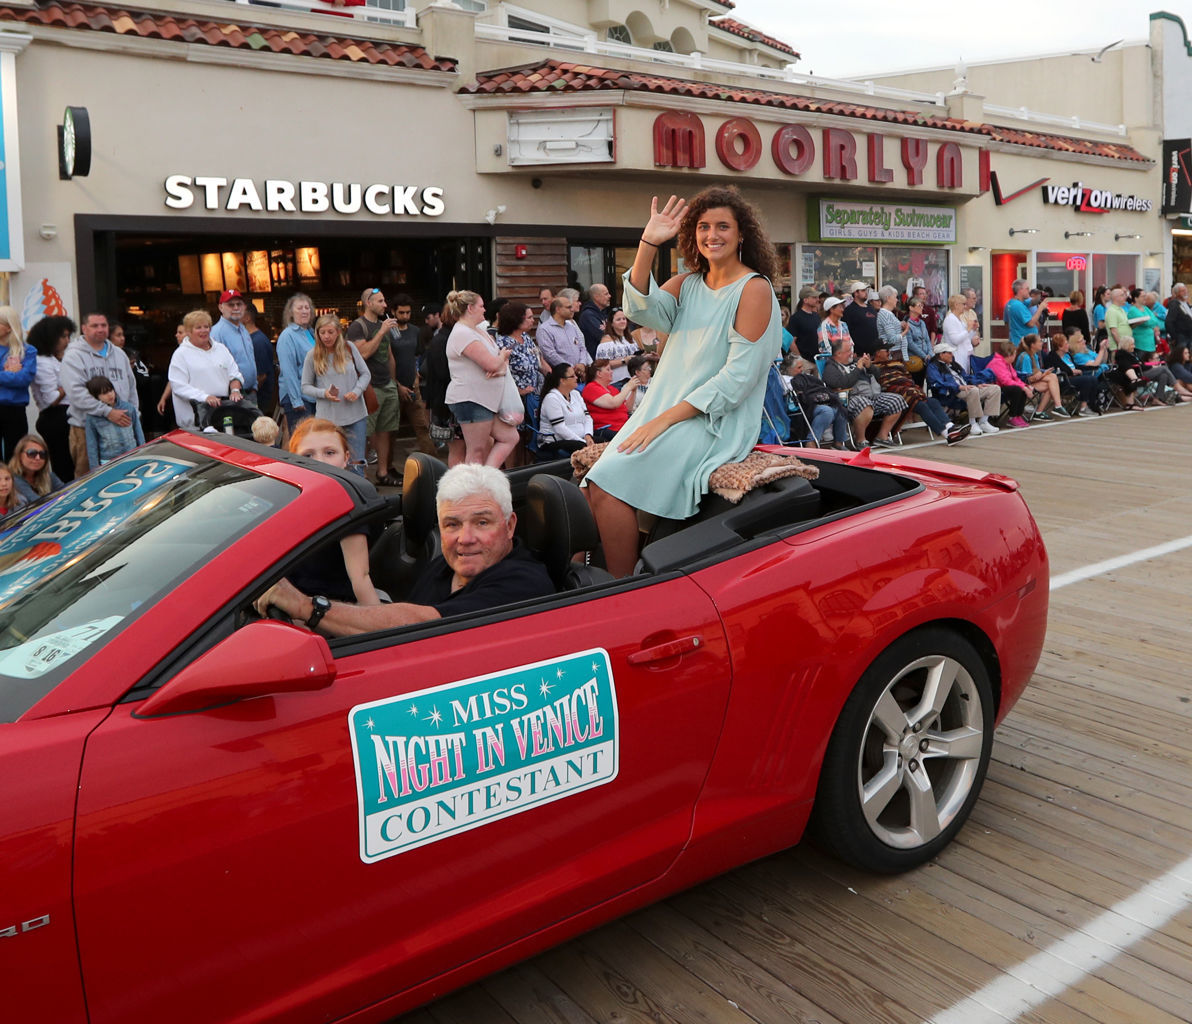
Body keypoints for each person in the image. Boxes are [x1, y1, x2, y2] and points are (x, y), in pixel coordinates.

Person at [584, 188, 782, 578]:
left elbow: (737, 379)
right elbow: (640, 309)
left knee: (606, 488)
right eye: (704, 227)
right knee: (590, 491)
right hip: (664, 413)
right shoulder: (688, 283)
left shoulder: (754, 289)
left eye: (723, 226)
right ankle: (597, 582)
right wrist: (647, 244)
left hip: (711, 423)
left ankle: (623, 593)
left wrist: (665, 420)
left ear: (742, 234)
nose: (713, 234)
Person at [255, 463, 552, 633]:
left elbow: (419, 624)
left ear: (510, 526)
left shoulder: (523, 583)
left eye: (482, 523)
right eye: (452, 525)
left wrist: (308, 607)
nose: (465, 538)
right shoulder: (446, 566)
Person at [285, 417, 380, 606]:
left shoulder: (347, 504)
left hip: (327, 610)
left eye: (330, 453)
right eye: (308, 455)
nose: (320, 461)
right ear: (293, 459)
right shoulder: (288, 499)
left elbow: (360, 579)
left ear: (346, 459)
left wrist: (384, 633)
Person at [445, 290, 519, 468]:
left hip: (485, 400)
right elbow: (492, 364)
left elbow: (497, 365)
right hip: (472, 399)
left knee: (510, 437)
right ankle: (476, 487)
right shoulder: (462, 332)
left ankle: (488, 476)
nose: (485, 310)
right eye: (481, 306)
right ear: (470, 308)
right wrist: (502, 356)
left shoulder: (478, 330)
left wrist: (500, 361)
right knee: (476, 451)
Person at [61, 312, 139, 478]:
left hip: (123, 424)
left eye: (103, 325)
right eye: (94, 326)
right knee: (88, 478)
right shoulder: (74, 356)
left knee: (128, 474)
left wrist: (134, 414)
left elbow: (131, 387)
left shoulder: (119, 354)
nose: (100, 329)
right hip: (86, 428)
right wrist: (108, 412)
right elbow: (76, 393)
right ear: (84, 328)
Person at [301, 314, 370, 477]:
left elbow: (366, 374)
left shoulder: (349, 348)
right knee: (329, 464)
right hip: (327, 420)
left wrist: (357, 390)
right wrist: (324, 393)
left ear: (338, 332)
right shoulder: (312, 355)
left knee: (356, 462)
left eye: (330, 332)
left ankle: (359, 496)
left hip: (355, 415)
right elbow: (305, 387)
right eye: (322, 332)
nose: (326, 336)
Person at [347, 288, 402, 487]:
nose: (385, 305)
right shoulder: (357, 327)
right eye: (380, 301)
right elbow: (362, 354)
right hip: (368, 387)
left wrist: (393, 383)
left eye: (384, 300)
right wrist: (381, 332)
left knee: (385, 430)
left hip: (386, 384)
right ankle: (362, 477)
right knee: (365, 432)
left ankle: (383, 472)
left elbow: (389, 356)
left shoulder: (382, 324)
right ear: (368, 303)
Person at [872, 344, 968, 443]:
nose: (889, 353)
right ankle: (946, 434)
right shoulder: (873, 366)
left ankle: (950, 427)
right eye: (886, 351)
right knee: (921, 405)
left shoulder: (896, 364)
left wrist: (909, 385)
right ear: (878, 353)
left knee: (932, 402)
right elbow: (885, 382)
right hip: (896, 393)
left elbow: (907, 377)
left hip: (910, 391)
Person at [822, 336, 907, 448]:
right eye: (848, 351)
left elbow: (879, 375)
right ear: (838, 354)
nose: (851, 353)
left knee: (897, 400)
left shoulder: (856, 360)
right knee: (865, 405)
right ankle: (860, 440)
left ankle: (882, 436)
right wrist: (858, 369)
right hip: (850, 398)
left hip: (871, 395)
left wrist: (870, 366)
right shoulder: (831, 368)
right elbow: (841, 383)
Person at [168, 310, 245, 429]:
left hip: (223, 413)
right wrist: (205, 397)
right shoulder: (181, 354)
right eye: (198, 327)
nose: (204, 330)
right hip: (196, 420)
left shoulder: (221, 349)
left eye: (206, 326)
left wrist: (235, 390)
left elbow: (234, 374)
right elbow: (178, 386)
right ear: (188, 332)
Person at [29, 315, 76, 484]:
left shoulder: (59, 359)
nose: (67, 341)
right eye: (63, 336)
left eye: (69, 336)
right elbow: (51, 398)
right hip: (55, 416)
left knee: (72, 464)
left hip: (69, 413)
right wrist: (68, 385)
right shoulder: (42, 362)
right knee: (63, 466)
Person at [926, 342, 1003, 435]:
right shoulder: (933, 367)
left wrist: (977, 383)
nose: (952, 355)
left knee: (995, 388)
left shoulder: (953, 364)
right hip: (953, 391)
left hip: (966, 387)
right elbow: (938, 383)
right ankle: (972, 423)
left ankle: (984, 421)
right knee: (973, 391)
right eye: (949, 353)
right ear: (941, 355)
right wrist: (959, 387)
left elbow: (966, 377)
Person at [389, 293, 433, 456]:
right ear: (393, 312)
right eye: (401, 313)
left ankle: (432, 462)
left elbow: (417, 355)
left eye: (408, 312)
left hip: (413, 386)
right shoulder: (387, 331)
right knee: (391, 430)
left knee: (422, 426)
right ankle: (387, 466)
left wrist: (415, 377)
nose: (405, 316)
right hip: (393, 387)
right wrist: (397, 385)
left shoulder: (415, 330)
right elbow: (385, 361)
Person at [782, 353, 851, 448]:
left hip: (814, 403)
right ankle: (811, 442)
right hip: (800, 407)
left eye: (802, 367)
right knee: (827, 411)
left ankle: (838, 443)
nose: (801, 370)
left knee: (840, 409)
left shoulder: (805, 377)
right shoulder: (784, 380)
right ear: (789, 369)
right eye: (799, 368)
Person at [276, 292, 317, 434]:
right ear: (291, 312)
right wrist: (296, 400)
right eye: (300, 308)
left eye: (307, 307)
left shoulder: (311, 333)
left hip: (313, 396)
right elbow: (289, 371)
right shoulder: (288, 336)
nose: (305, 311)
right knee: (303, 442)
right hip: (299, 398)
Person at [84, 375, 145, 467]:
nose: (110, 395)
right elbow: (92, 446)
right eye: (104, 393)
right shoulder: (92, 417)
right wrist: (95, 469)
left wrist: (143, 453)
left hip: (132, 455)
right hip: (108, 461)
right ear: (96, 397)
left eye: (110, 390)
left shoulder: (128, 408)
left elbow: (138, 432)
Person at [0, 306, 36, 461]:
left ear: (8, 327)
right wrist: (8, 374)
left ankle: (15, 486)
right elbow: (16, 378)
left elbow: (24, 379)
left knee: (15, 458)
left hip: (16, 410)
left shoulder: (27, 351)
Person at [209, 290, 259, 402]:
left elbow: (251, 359)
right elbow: (214, 368)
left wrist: (254, 387)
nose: (236, 308)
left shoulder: (243, 329)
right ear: (221, 308)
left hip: (250, 393)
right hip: (231, 396)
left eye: (239, 304)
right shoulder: (216, 333)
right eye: (231, 305)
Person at [538, 363, 594, 457]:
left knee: (603, 441)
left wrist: (588, 435)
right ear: (562, 380)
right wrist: (583, 441)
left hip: (579, 438)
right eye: (572, 376)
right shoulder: (552, 398)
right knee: (583, 447)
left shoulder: (576, 394)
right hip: (554, 441)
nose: (576, 378)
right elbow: (560, 429)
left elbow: (588, 418)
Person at [1043, 331, 1099, 415]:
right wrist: (1072, 371)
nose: (1068, 345)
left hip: (1074, 378)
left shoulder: (1067, 355)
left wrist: (1091, 367)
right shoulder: (1052, 357)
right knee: (1087, 380)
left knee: (1093, 379)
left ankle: (1091, 405)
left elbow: (1077, 367)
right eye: (1066, 344)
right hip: (1063, 381)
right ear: (1059, 346)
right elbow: (1063, 369)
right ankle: (1083, 408)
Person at [536, 292, 588, 379]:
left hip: (579, 376)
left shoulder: (572, 327)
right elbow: (549, 354)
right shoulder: (544, 329)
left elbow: (582, 347)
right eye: (568, 307)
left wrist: (582, 363)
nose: (572, 309)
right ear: (558, 309)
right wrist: (571, 367)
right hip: (561, 377)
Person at [1014, 334, 1064, 419]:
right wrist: (1043, 375)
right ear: (1033, 345)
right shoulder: (1025, 357)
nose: (1042, 343)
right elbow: (1027, 379)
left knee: (1051, 383)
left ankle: (1040, 412)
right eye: (1040, 341)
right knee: (1052, 378)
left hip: (1033, 382)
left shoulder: (1035, 356)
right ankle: (1057, 406)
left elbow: (1037, 373)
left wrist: (1044, 372)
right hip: (1023, 385)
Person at [582, 358, 632, 441]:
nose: (611, 372)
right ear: (599, 373)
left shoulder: (612, 389)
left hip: (623, 426)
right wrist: (628, 387)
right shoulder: (591, 388)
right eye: (608, 369)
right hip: (606, 429)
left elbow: (628, 408)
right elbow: (613, 403)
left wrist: (633, 390)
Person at [986, 342, 1034, 427]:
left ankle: (1018, 415)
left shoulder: (1008, 364)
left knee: (1021, 389)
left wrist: (1026, 386)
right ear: (1009, 354)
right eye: (1015, 354)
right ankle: (1012, 417)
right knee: (1017, 389)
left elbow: (1015, 378)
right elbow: (1005, 381)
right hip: (994, 388)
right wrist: (1023, 387)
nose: (1015, 356)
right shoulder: (997, 363)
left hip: (1003, 386)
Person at [8, 433, 63, 503]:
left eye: (42, 454)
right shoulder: (12, 478)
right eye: (32, 453)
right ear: (19, 455)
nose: (38, 458)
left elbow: (67, 492)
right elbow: (36, 502)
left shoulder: (49, 476)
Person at [242, 305, 276, 415]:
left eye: (238, 313)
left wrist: (249, 394)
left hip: (259, 399)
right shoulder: (250, 339)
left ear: (247, 317)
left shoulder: (258, 341)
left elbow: (261, 376)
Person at [595, 308, 639, 384]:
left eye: (624, 319)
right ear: (611, 323)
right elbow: (601, 364)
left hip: (632, 380)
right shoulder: (606, 341)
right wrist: (623, 361)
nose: (622, 321)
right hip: (615, 382)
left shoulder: (630, 338)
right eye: (618, 319)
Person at [1004, 279, 1049, 347]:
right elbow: (1031, 323)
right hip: (1025, 345)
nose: (1029, 291)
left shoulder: (1010, 303)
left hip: (1018, 341)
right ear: (1020, 290)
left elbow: (1031, 302)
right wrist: (1040, 308)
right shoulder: (1018, 306)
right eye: (1027, 289)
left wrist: (1040, 297)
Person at [941, 293, 978, 372]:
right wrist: (968, 329)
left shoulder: (959, 319)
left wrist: (973, 330)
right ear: (956, 305)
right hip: (957, 357)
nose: (965, 307)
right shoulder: (950, 320)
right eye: (963, 304)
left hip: (965, 356)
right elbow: (955, 340)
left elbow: (966, 337)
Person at [842, 281, 879, 356]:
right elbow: (845, 332)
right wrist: (852, 349)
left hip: (875, 352)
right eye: (863, 290)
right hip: (859, 353)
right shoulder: (849, 310)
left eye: (866, 290)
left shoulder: (870, 308)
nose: (866, 293)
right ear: (856, 293)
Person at [577, 283, 612, 359]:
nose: (610, 296)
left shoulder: (603, 313)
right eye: (606, 294)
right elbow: (603, 336)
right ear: (596, 297)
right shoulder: (588, 315)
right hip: (595, 361)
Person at [875, 285, 909, 359]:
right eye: (895, 297)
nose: (897, 300)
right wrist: (905, 331)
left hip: (898, 354)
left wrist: (900, 325)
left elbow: (891, 329)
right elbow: (892, 339)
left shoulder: (888, 314)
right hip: (894, 355)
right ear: (888, 298)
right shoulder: (885, 314)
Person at [790, 286, 822, 361]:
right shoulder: (796, 318)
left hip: (818, 359)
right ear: (805, 300)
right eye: (814, 297)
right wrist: (800, 359)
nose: (817, 299)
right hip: (805, 362)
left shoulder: (816, 316)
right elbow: (791, 342)